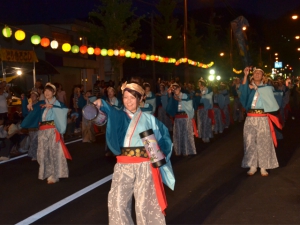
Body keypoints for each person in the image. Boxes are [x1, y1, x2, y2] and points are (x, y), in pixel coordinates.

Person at [93, 77, 174, 225]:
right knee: (116, 202)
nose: (128, 101)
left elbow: (165, 140)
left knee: (144, 206)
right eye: (125, 97)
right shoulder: (120, 116)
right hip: (123, 165)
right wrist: (102, 104)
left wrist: (159, 158)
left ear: (140, 98)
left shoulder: (149, 119)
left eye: (132, 97)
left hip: (144, 166)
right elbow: (112, 112)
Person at [21, 83, 70, 184]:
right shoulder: (41, 104)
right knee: (42, 154)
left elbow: (66, 111)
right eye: (45, 91)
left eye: (49, 91)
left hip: (53, 131)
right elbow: (28, 112)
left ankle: (55, 175)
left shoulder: (58, 104)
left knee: (54, 153)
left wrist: (53, 107)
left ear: (54, 92)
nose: (47, 93)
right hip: (42, 131)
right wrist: (28, 104)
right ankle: (46, 172)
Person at [239, 67, 282, 176]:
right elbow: (242, 92)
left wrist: (257, 88)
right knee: (250, 142)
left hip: (263, 118)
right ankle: (252, 166)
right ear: (253, 76)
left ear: (263, 76)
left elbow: (270, 95)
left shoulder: (267, 87)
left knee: (264, 142)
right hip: (250, 118)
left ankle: (263, 166)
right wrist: (245, 75)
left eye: (259, 73)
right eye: (255, 73)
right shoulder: (249, 87)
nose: (257, 74)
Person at [166, 83, 197, 156]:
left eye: (176, 88)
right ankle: (179, 150)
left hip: (185, 117)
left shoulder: (185, 95)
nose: (175, 90)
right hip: (177, 117)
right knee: (178, 134)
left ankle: (187, 150)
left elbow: (189, 104)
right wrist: (170, 96)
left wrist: (180, 100)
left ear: (180, 88)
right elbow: (169, 108)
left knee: (186, 134)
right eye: (174, 89)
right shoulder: (173, 97)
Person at [21, 91, 40, 160]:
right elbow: (25, 113)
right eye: (31, 96)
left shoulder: (39, 104)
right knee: (33, 140)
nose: (32, 97)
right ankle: (34, 154)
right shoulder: (29, 105)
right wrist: (23, 100)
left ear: (37, 97)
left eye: (34, 95)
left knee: (38, 140)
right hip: (32, 125)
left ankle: (38, 153)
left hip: (38, 124)